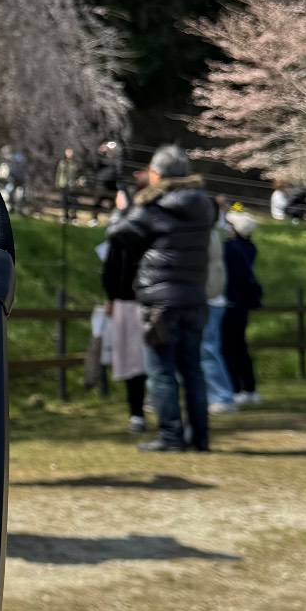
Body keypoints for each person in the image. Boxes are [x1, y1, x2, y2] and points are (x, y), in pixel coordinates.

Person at [106, 145, 216, 453]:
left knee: (161, 370)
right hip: (195, 297)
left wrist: (121, 209)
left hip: (160, 300)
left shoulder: (155, 207)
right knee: (192, 369)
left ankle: (170, 436)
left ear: (159, 174)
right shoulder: (204, 205)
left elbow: (118, 234)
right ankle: (200, 437)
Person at [100, 208, 149, 434]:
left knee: (132, 361)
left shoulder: (119, 238)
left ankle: (137, 413)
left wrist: (111, 296)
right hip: (154, 300)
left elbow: (109, 272)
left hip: (126, 303)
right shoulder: (156, 234)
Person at [221, 207, 264, 403]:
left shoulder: (233, 249)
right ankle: (249, 388)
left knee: (229, 347)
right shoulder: (249, 247)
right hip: (242, 303)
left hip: (231, 302)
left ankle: (236, 388)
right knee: (240, 345)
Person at [201, 202, 237, 416]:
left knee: (206, 350)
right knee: (208, 349)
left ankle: (221, 396)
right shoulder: (212, 234)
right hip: (214, 298)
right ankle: (216, 395)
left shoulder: (206, 236)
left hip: (209, 299)